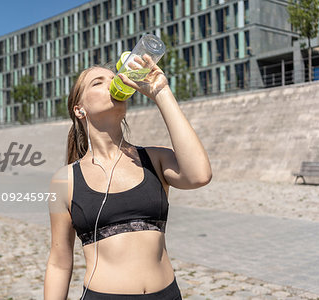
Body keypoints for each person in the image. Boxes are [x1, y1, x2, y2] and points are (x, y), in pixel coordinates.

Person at [44, 54, 212, 300]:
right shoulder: (65, 181)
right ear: (79, 109)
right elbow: (59, 263)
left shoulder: (153, 160)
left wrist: (161, 91)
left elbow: (199, 175)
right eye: (98, 82)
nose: (112, 83)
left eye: (114, 78)